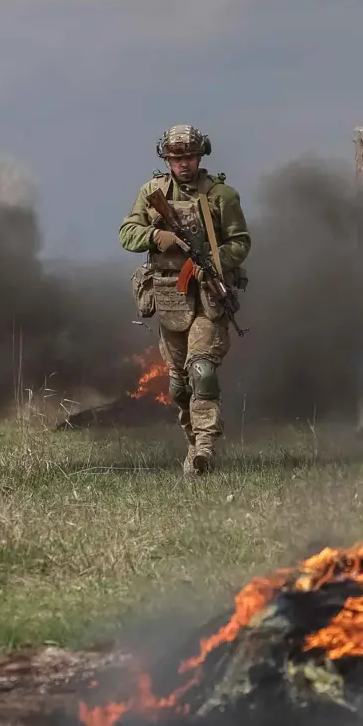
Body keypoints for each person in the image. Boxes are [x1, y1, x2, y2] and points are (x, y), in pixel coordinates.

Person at [118, 124, 252, 476]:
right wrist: (158, 236)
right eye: (176, 158)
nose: (183, 164)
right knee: (178, 384)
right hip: (169, 296)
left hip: (207, 295)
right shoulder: (153, 191)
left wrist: (210, 263)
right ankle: (193, 441)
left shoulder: (222, 195)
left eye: (189, 157)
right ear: (166, 159)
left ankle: (205, 448)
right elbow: (127, 233)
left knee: (202, 370)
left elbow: (240, 242)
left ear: (201, 155)